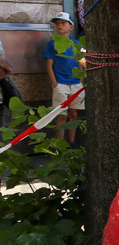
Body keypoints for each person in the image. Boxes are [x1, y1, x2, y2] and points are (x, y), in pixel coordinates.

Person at [43, 12, 86, 146]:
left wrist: (81, 80)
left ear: (71, 27)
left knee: (73, 114)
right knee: (62, 114)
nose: (59, 26)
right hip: (60, 83)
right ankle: (60, 145)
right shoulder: (52, 44)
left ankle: (72, 142)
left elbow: (81, 63)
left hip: (75, 83)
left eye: (63, 23)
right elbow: (49, 65)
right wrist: (55, 83)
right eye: (57, 23)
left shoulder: (77, 44)